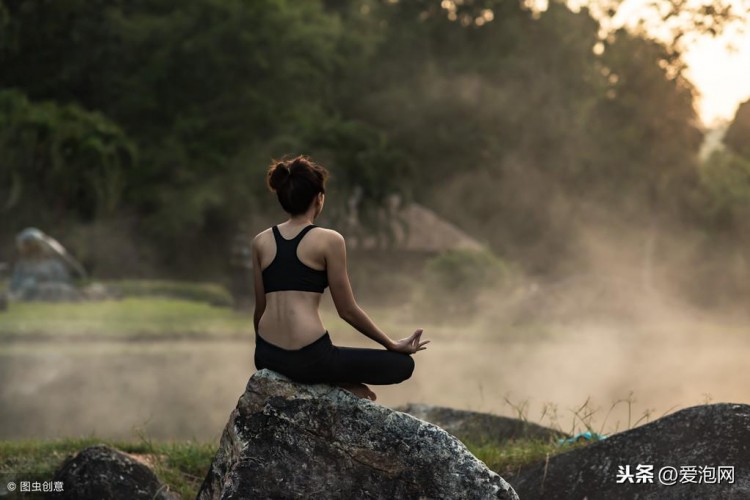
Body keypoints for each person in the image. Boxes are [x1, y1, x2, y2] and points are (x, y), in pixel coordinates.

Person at [252, 155, 429, 401]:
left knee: (329, 360)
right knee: (402, 366)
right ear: (319, 198)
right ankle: (338, 382)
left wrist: (265, 352)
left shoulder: (260, 241)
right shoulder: (329, 240)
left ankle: (335, 378)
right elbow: (347, 310)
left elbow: (260, 310)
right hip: (310, 357)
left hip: (266, 356)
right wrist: (391, 344)